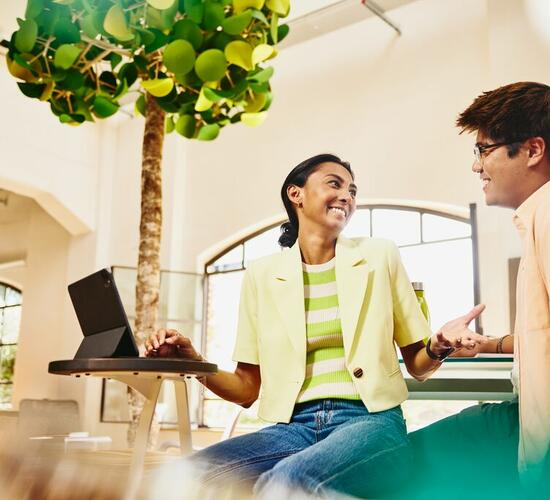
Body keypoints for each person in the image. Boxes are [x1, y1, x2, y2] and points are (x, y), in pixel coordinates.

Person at [145, 153, 486, 498]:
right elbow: (247, 389)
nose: (347, 197)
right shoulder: (263, 275)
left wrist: (439, 345)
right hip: (292, 428)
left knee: (286, 482)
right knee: (181, 476)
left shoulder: (379, 256)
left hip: (370, 422)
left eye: (352, 191)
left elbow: (417, 364)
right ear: (297, 194)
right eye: (334, 184)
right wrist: (193, 362)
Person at [406, 82, 550, 499]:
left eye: (484, 150)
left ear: (533, 150)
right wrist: (487, 344)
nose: (476, 167)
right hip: (523, 419)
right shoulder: (534, 218)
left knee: (400, 464)